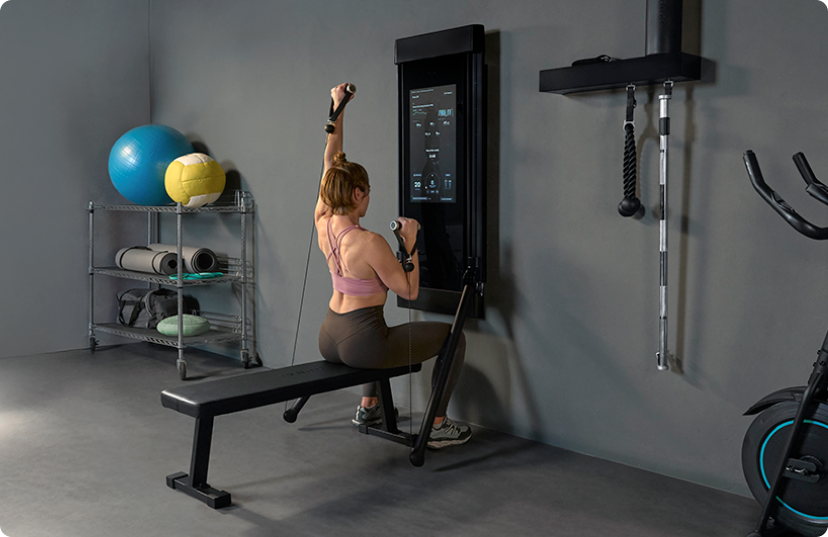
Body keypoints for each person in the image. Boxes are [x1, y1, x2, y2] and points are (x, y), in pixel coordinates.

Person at [315, 83, 471, 449]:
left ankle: (368, 406)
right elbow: (409, 290)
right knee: (454, 338)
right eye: (367, 192)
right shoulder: (369, 242)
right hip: (362, 344)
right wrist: (410, 244)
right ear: (357, 194)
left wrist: (338, 108)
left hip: (329, 337)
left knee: (379, 328)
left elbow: (330, 162)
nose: (369, 198)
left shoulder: (322, 219)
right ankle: (437, 426)